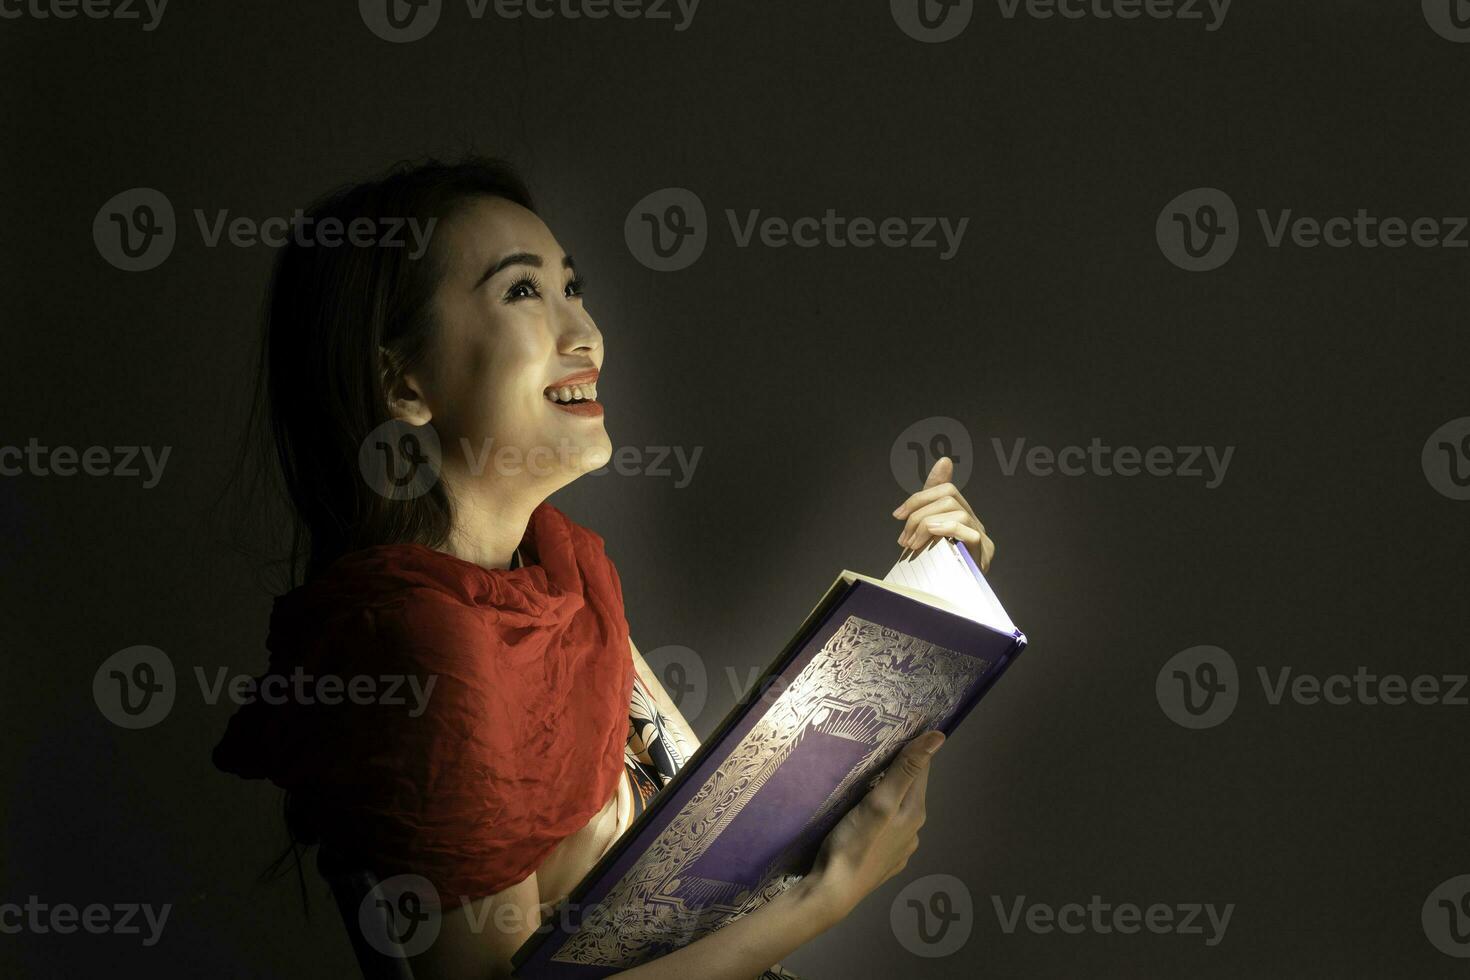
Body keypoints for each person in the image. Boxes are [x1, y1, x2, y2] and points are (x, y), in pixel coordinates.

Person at [212, 157, 997, 979]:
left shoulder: (558, 573)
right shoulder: (420, 647)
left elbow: (713, 839)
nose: (584, 333)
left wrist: (930, 608)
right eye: (521, 292)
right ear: (402, 383)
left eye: (571, 287)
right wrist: (825, 899)